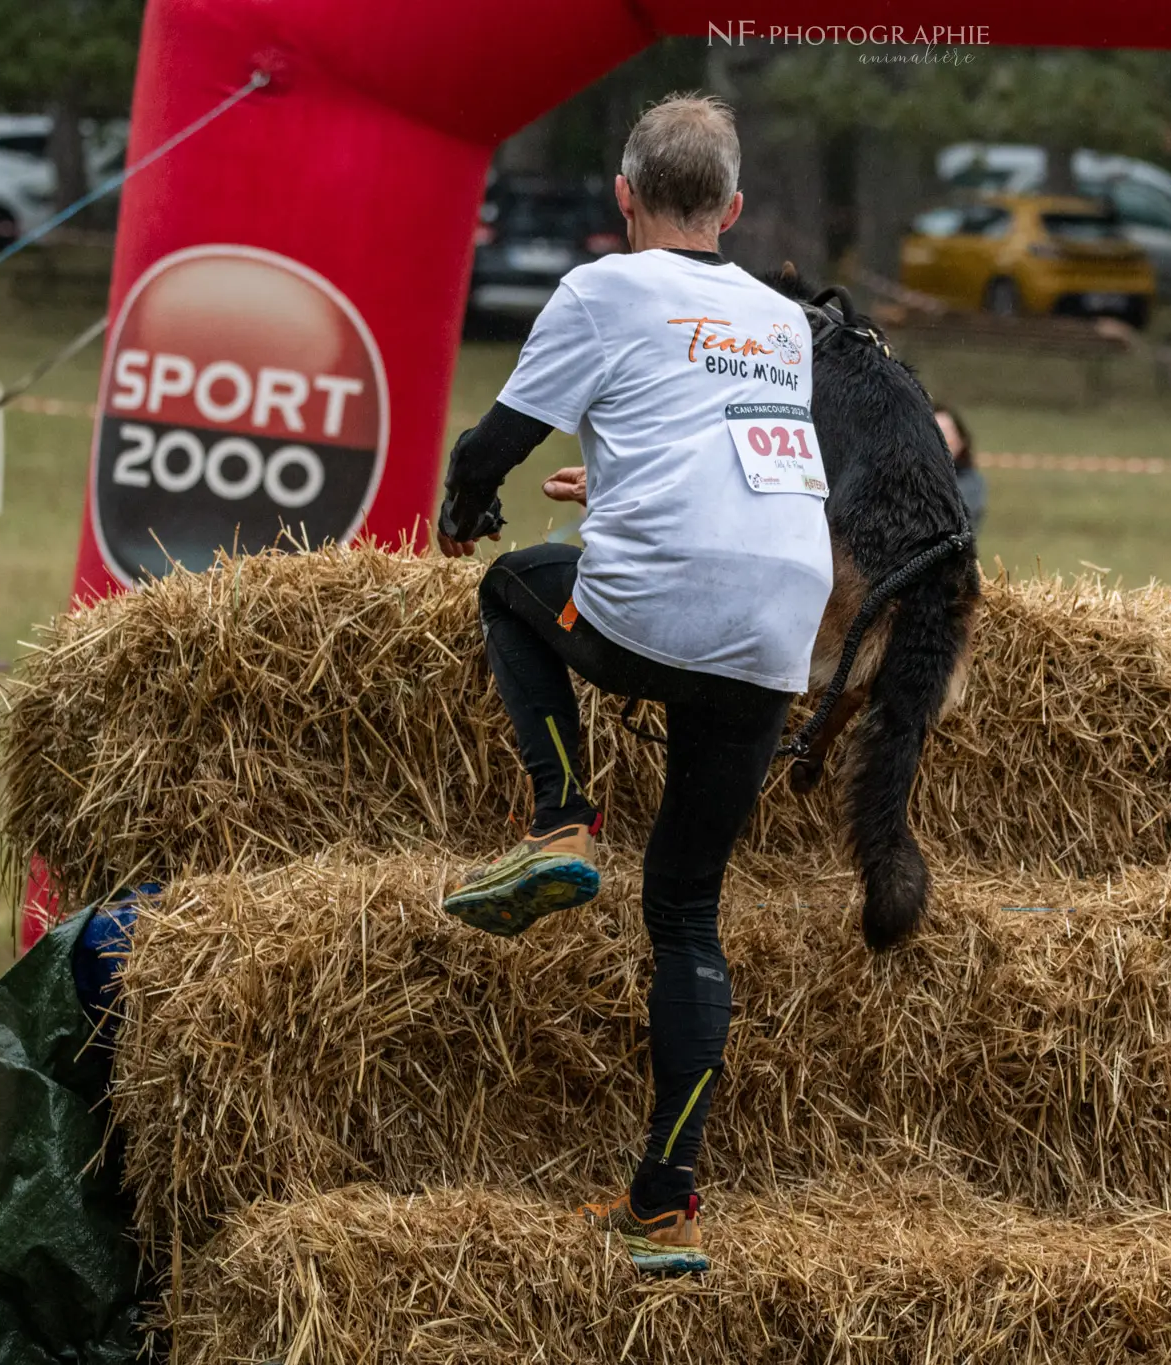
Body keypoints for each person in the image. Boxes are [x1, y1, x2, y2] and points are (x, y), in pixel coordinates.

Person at [433, 94, 831, 1275]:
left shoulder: (604, 286)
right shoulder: (780, 319)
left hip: (661, 606)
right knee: (687, 916)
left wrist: (466, 510)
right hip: (778, 625)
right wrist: (611, 489)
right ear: (735, 208)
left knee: (513, 586)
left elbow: (488, 447)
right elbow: (730, 457)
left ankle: (560, 819)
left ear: (622, 197)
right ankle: (664, 1202)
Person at [934, 402, 987, 531]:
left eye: (945, 433)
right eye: (933, 433)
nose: (940, 441)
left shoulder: (970, 484)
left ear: (961, 441)